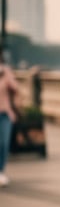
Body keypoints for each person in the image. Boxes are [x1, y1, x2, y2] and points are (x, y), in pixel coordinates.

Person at [0, 59, 20, 187]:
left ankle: (0, 171)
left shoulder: (5, 72)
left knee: (3, 144)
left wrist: (16, 108)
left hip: (4, 114)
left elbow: (16, 89)